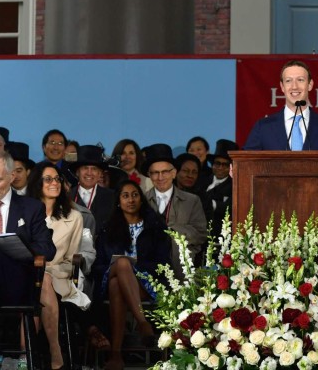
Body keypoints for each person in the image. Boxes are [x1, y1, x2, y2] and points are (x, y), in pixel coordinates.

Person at [0, 150, 56, 369]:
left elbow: (48, 250)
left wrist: (17, 245)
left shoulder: (31, 208)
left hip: (17, 284)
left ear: (11, 176)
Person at [91, 180, 172, 370]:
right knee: (121, 263)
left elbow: (163, 264)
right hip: (108, 276)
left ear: (141, 199)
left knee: (117, 286)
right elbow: (98, 265)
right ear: (118, 201)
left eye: (135, 195)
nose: (131, 199)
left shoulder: (155, 228)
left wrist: (136, 268)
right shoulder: (107, 229)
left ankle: (116, 355)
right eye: (125, 195)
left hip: (145, 283)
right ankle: (143, 322)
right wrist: (124, 266)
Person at [27, 162, 89, 369]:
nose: (54, 183)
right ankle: (53, 356)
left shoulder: (74, 217)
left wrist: (52, 272)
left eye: (57, 179)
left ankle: (31, 357)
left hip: (57, 277)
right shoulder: (24, 212)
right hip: (23, 275)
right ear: (37, 183)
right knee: (35, 289)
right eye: (48, 179)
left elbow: (72, 259)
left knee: (42, 282)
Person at [244, 59, 318, 151]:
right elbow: (244, 163)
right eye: (288, 81)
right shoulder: (263, 127)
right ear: (282, 87)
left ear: (310, 85)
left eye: (300, 80)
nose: (294, 86)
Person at [143, 143, 207, 273]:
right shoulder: (141, 200)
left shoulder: (192, 201)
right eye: (155, 173)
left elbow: (200, 234)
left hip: (181, 267)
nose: (160, 177)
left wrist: (170, 231)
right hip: (148, 265)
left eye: (165, 172)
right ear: (149, 175)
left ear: (174, 173)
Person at [70, 145, 114, 234]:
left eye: (94, 169)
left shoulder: (112, 197)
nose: (89, 173)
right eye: (85, 168)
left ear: (100, 173)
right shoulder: (66, 197)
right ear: (77, 172)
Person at [205, 139, 238, 237]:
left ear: (231, 167)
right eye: (217, 163)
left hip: (220, 237)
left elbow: (230, 209)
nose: (220, 167)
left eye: (225, 165)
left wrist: (210, 204)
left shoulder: (235, 186)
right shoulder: (202, 181)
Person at [174, 153, 213, 223]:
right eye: (185, 171)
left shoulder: (203, 198)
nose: (190, 175)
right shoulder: (166, 193)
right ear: (175, 172)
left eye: (194, 172)